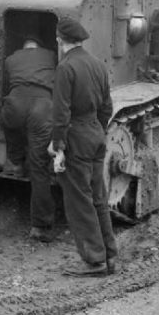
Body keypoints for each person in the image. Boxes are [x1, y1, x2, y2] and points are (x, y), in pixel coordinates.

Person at [48, 18, 118, 276]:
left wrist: (59, 146)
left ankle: (94, 260)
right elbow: (107, 107)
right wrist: (96, 129)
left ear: (59, 40)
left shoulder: (66, 67)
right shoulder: (98, 65)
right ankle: (109, 255)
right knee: (98, 198)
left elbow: (60, 112)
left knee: (79, 201)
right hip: (95, 133)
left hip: (75, 135)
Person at [1, 33, 58, 242]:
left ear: (23, 47)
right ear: (39, 46)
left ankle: (15, 162)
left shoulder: (11, 58)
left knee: (9, 124)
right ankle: (40, 227)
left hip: (15, 102)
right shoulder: (51, 55)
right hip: (42, 105)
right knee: (39, 167)